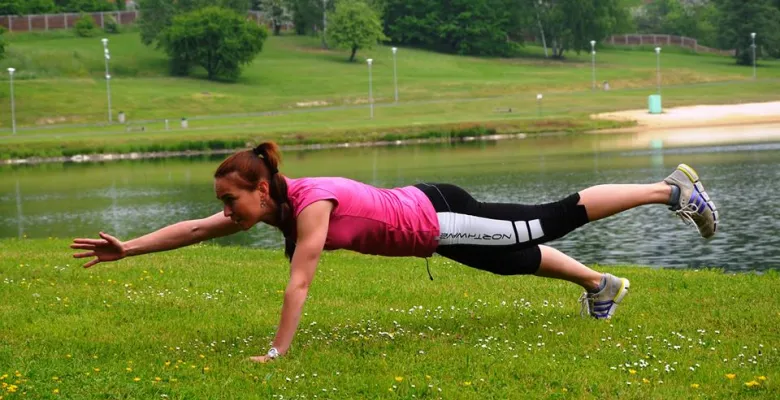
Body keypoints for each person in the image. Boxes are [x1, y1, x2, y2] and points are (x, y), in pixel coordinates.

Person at [70, 141, 718, 363]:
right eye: (225, 202)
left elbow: (301, 283)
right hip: (434, 212)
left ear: (261, 189)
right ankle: (599, 287)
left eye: (231, 200)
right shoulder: (281, 202)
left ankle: (668, 191)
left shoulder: (312, 205)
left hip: (440, 219)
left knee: (546, 221)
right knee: (510, 256)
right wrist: (127, 247)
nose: (226, 211)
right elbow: (191, 229)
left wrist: (276, 353)